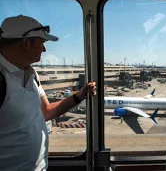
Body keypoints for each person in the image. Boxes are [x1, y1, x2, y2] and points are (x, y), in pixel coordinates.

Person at [0, 15, 97, 171]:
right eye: (42, 43)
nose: (44, 49)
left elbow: (46, 111)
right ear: (26, 43)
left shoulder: (32, 74)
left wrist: (79, 96)